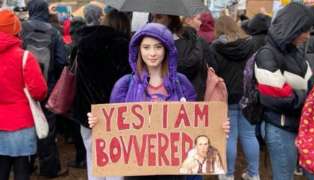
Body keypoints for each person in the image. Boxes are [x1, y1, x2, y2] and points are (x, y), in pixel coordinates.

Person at [88, 22, 230, 180]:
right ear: (138, 50)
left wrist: (218, 127)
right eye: (146, 47)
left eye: (158, 47)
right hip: (137, 170)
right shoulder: (124, 85)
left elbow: (196, 127)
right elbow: (113, 127)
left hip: (173, 170)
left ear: (167, 49)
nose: (152, 53)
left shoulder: (181, 84)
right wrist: (98, 121)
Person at [254, 3, 314, 180]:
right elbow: (279, 97)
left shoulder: (294, 52)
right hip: (281, 129)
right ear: (292, 27)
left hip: (300, 126)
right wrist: (309, 98)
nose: (307, 36)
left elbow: (309, 83)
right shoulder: (267, 54)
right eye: (304, 30)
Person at [73, 4, 131, 180]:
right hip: (116, 114)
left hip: (87, 113)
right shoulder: (125, 47)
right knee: (116, 161)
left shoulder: (83, 42)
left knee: (93, 160)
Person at [20, 0, 67, 177]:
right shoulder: (54, 32)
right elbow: (62, 61)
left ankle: (26, 165)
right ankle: (49, 169)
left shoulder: (22, 28)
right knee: (47, 127)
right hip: (48, 86)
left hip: (23, 87)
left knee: (26, 125)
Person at [210, 15, 260, 180]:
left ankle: (228, 174)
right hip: (248, 96)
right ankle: (254, 174)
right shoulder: (251, 44)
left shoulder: (215, 48)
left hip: (226, 97)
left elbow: (213, 73)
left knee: (229, 136)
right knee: (249, 135)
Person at [0, 9, 47, 180]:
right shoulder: (25, 57)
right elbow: (39, 91)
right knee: (22, 171)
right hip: (22, 122)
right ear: (15, 30)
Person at [152, 14, 216, 101]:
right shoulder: (196, 40)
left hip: (175, 98)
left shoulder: (162, 44)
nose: (154, 21)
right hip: (194, 97)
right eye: (153, 17)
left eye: (158, 17)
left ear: (170, 19)